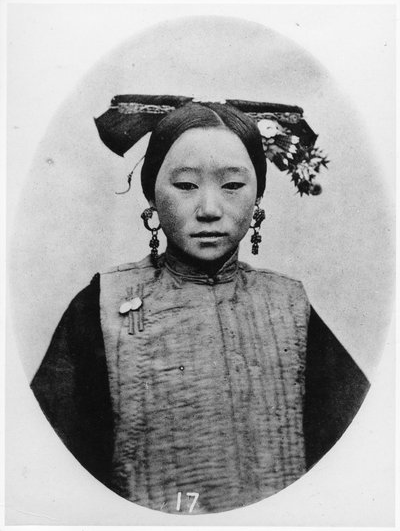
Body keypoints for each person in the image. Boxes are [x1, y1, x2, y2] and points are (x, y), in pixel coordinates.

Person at [31, 95, 369, 514]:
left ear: (257, 198)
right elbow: (52, 467)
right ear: (153, 195)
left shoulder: (290, 307)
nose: (209, 209)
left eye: (232, 185)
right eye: (186, 185)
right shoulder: (103, 304)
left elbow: (355, 455)